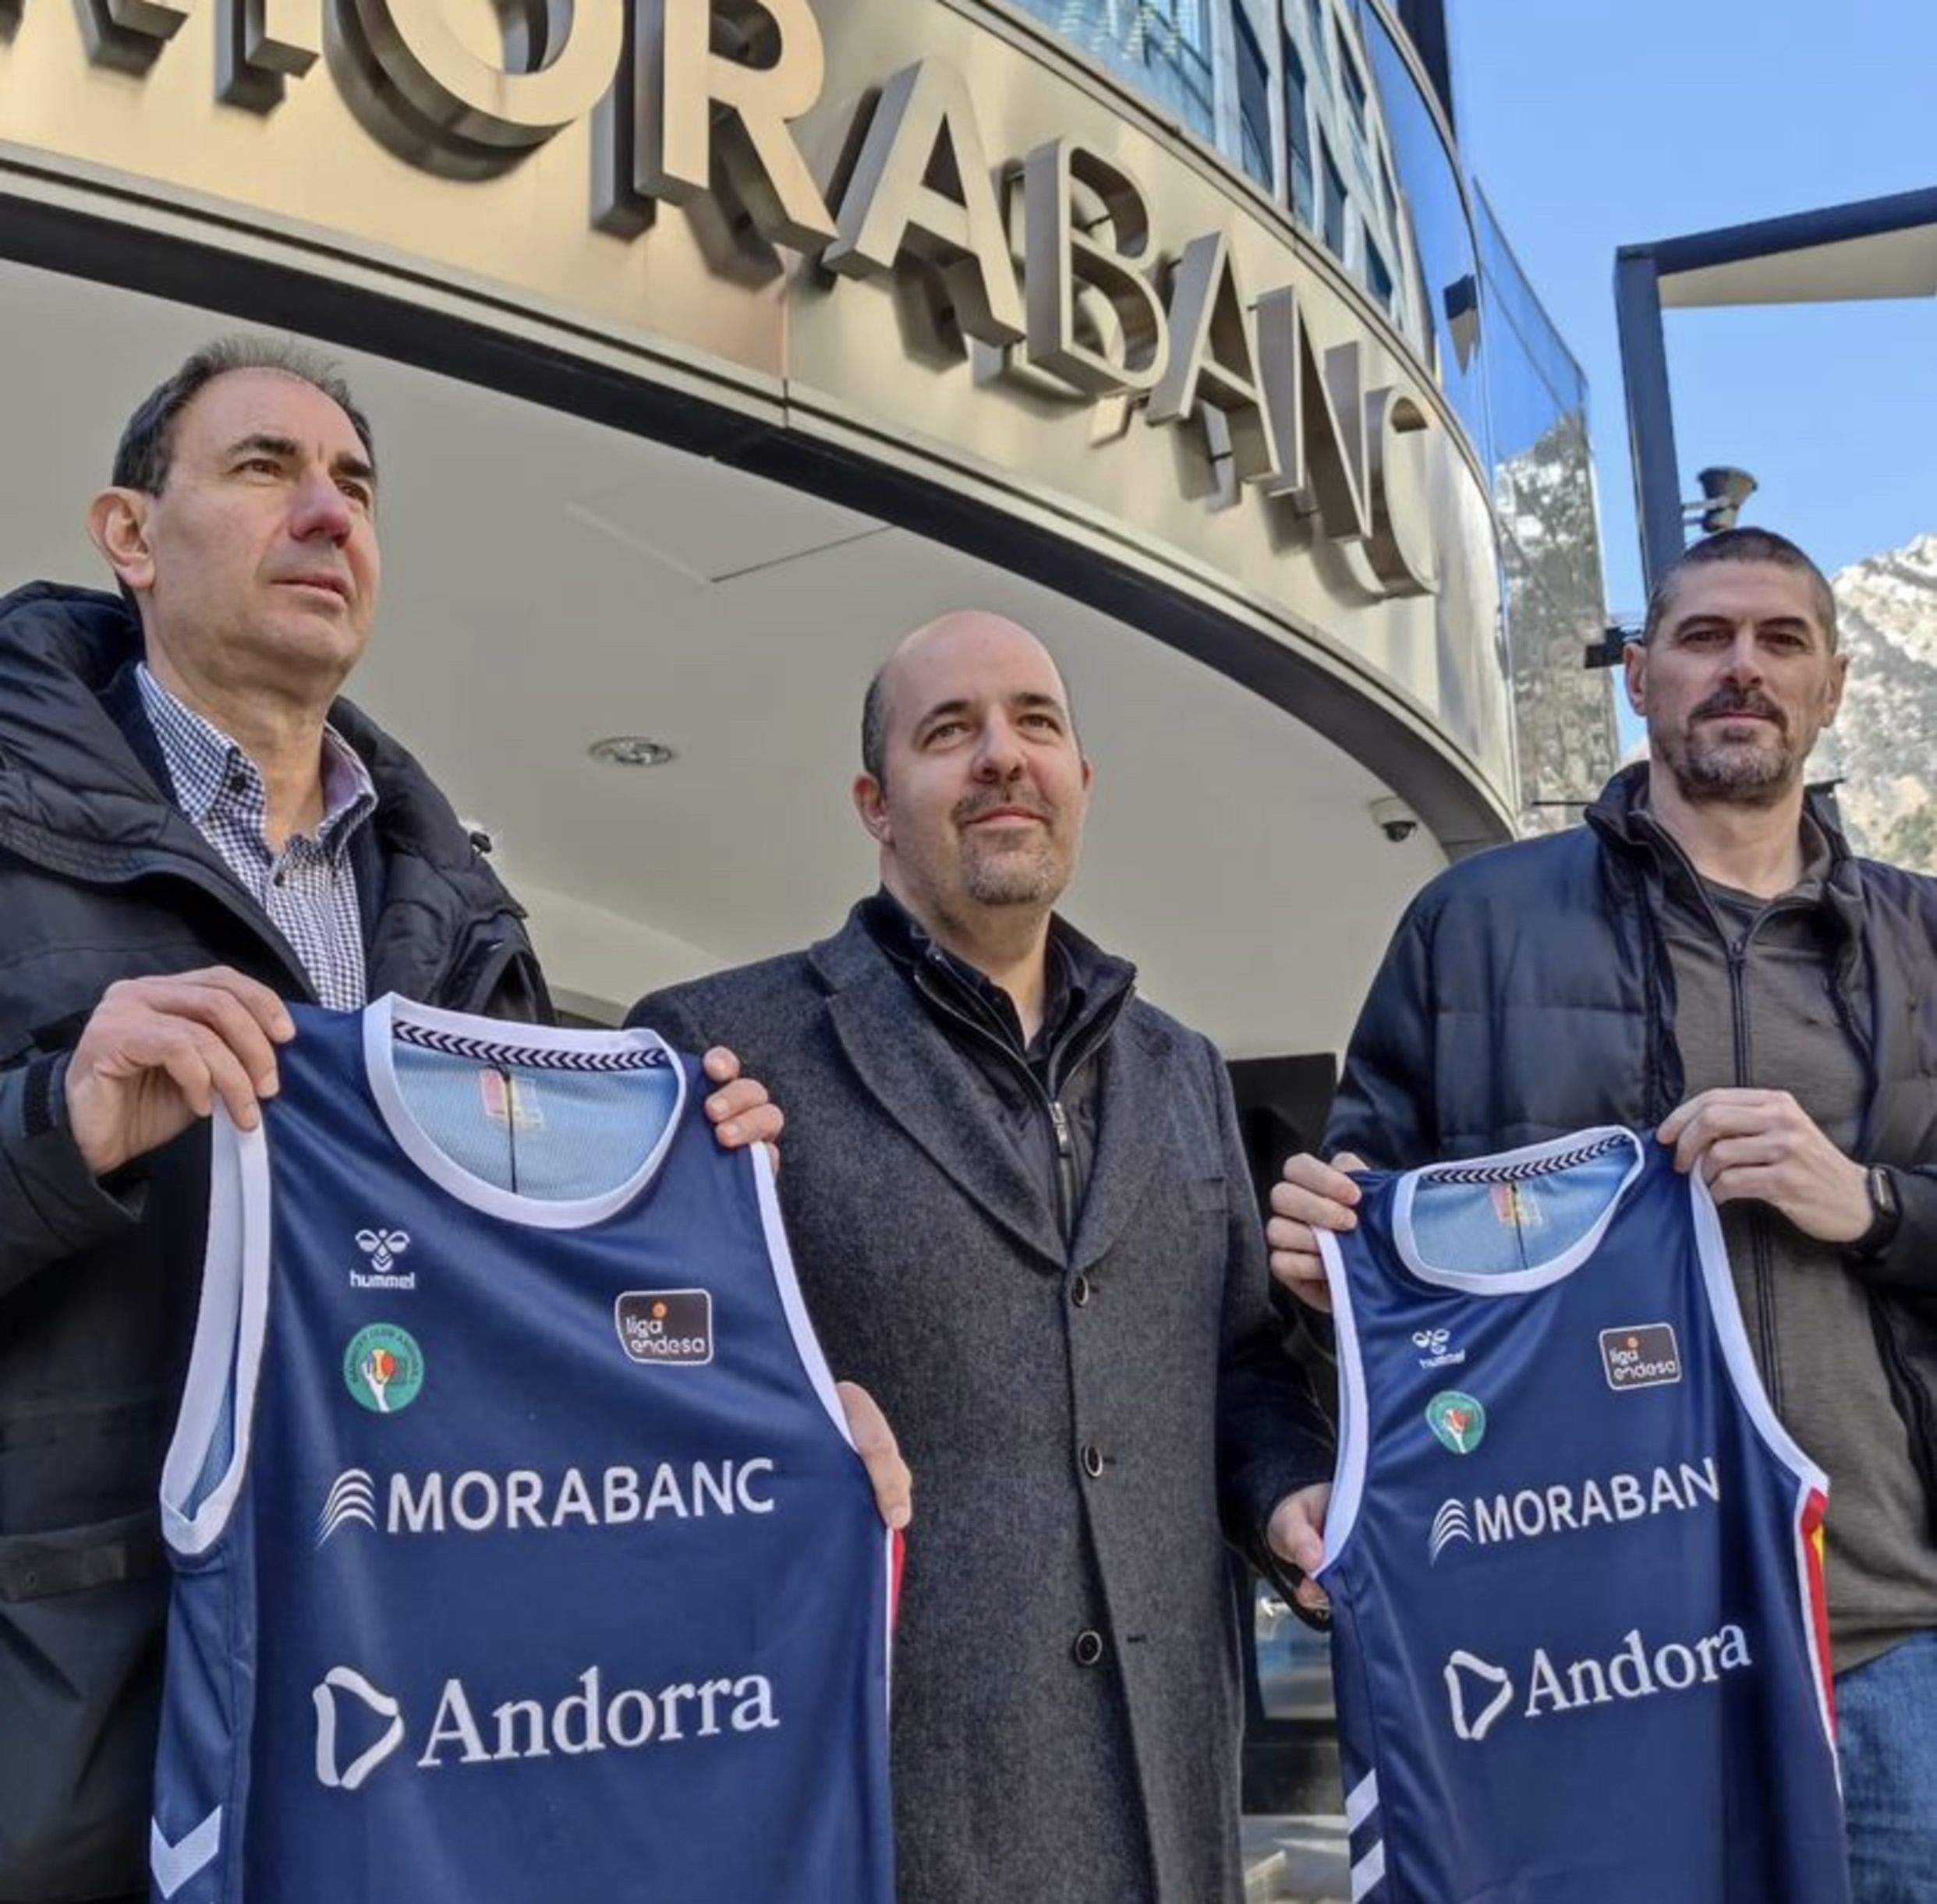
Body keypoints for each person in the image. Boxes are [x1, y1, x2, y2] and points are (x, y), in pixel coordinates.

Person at [0, 338, 836, 1904]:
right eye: (265, 469)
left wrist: (744, 1335)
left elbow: (537, 1331)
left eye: (356, 487)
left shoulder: (465, 925)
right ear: (129, 533)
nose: (329, 515)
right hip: (71, 1768)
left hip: (413, 1763)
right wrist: (62, 1119)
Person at [1268, 527, 1937, 1903]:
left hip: (1896, 1646)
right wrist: (1320, 1267)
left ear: (1836, 686)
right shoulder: (1476, 926)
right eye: (1701, 638)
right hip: (1603, 1656)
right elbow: (1367, 1257)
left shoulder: (1930, 943)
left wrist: (1865, 1203)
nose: (1739, 669)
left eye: (1779, 640)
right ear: (1640, 676)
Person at [629, 609, 1333, 1903]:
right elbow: (644, 1415)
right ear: (876, 803)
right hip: (889, 1822)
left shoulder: (1181, 1070)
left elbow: (1239, 1366)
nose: (1002, 757)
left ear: (1082, 783)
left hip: (1170, 1814)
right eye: (950, 731)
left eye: (1037, 724)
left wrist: (1290, 1501)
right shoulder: (717, 1051)